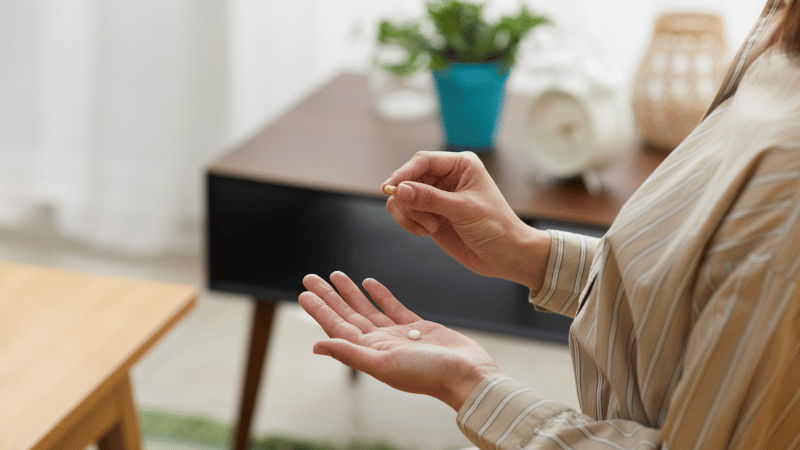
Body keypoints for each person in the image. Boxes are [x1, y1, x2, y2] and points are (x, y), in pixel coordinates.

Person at [297, 0, 800, 448]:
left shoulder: (788, 179)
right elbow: (700, 289)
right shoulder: (779, 35)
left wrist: (470, 386)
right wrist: (527, 252)